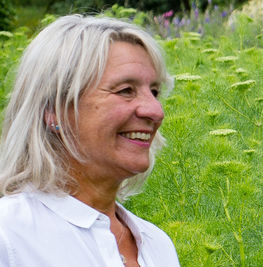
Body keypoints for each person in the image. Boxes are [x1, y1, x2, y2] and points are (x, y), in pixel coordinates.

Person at [0, 15, 179, 267]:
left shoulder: (158, 245)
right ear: (54, 109)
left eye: (155, 92)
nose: (156, 111)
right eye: (126, 90)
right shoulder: (9, 236)